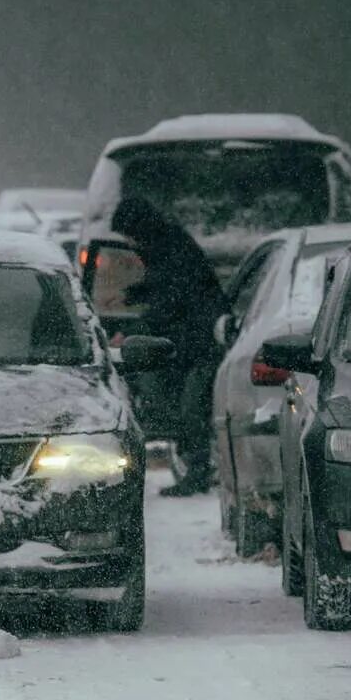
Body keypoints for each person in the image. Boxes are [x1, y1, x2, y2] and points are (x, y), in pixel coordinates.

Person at [111, 196, 224, 496]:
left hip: (198, 341)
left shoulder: (167, 247)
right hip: (189, 339)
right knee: (189, 406)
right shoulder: (165, 245)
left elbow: (174, 297)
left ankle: (198, 471)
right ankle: (195, 467)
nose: (129, 243)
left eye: (128, 236)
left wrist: (135, 324)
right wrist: (138, 293)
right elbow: (167, 287)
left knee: (192, 408)